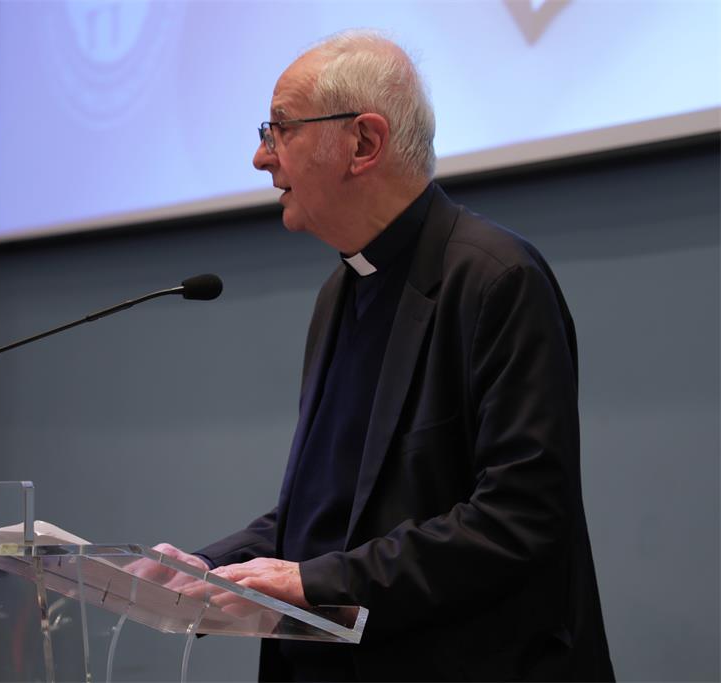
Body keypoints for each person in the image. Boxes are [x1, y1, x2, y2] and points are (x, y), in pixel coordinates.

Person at [155, 30, 614, 681]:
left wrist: (315, 580)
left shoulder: (497, 279)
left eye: (280, 129)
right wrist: (209, 566)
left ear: (364, 143)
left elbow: (519, 516)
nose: (261, 157)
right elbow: (331, 511)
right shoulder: (338, 293)